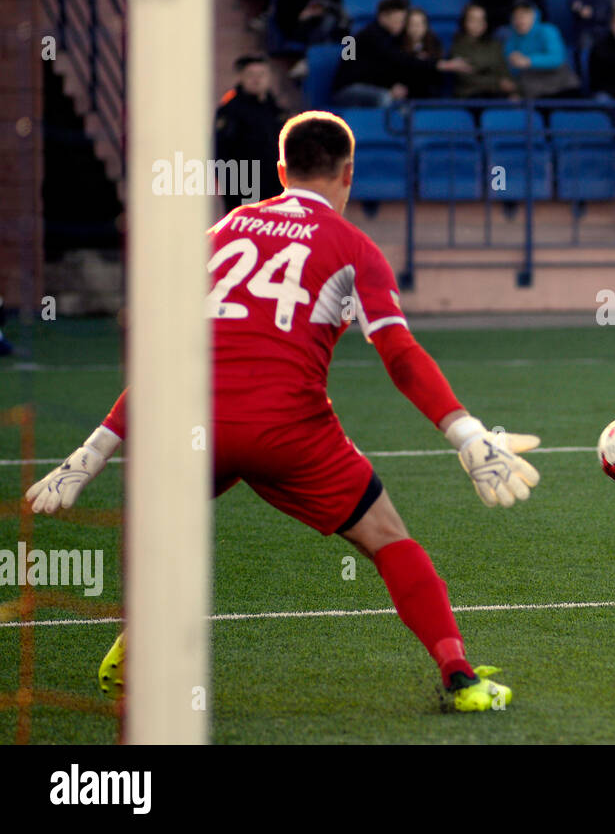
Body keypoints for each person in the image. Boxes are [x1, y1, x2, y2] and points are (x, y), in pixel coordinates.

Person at [27, 111, 540, 711]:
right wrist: (467, 432)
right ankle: (459, 675)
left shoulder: (220, 233)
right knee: (389, 538)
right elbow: (398, 353)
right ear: (349, 174)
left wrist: (90, 454)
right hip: (288, 432)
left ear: (279, 170)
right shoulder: (355, 248)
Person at [332, 0, 442, 106]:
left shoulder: (391, 37)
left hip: (371, 86)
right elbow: (382, 65)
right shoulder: (371, 36)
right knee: (384, 97)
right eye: (396, 20)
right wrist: (437, 64)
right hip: (348, 89)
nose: (400, 25)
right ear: (383, 17)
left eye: (402, 21)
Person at [215, 55, 288, 214]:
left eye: (261, 74)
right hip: (244, 187)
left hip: (275, 185)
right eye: (251, 75)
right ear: (241, 77)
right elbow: (221, 151)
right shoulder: (230, 110)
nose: (257, 80)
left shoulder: (277, 110)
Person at [503, 0, 582, 98]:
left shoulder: (547, 30)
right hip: (533, 93)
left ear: (535, 15)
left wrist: (528, 61)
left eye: (525, 15)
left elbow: (557, 58)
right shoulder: (511, 41)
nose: (520, 19)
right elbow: (513, 72)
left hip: (562, 87)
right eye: (516, 16)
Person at [448, 2, 516, 98]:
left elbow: (503, 69)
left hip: (497, 94)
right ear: (464, 22)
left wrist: (510, 87)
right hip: (470, 96)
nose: (477, 24)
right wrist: (497, 82)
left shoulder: (495, 45)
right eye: (473, 20)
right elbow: (466, 78)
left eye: (481, 20)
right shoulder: (457, 46)